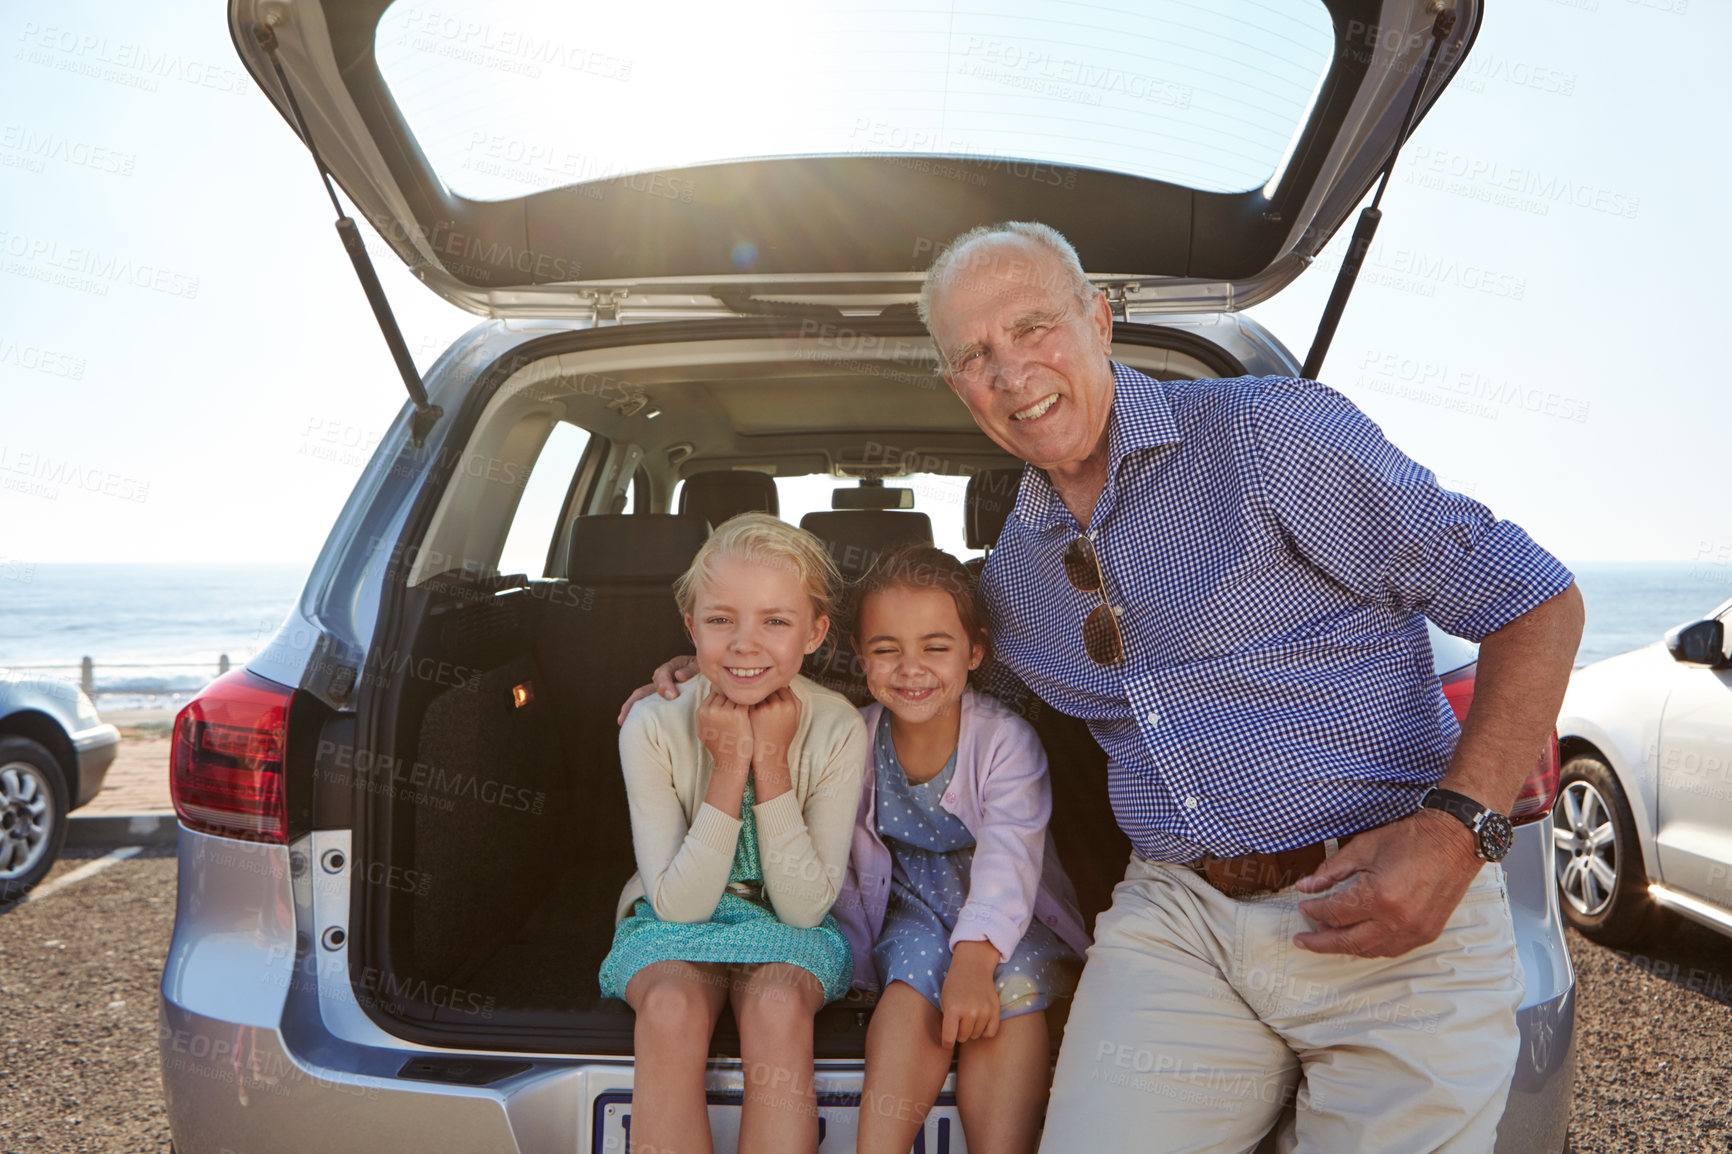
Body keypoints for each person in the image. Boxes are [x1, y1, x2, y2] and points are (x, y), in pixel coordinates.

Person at [624, 221, 1584, 1152]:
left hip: (1385, 905)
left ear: (1100, 317)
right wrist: (734, 664)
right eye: (976, 355)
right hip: (1180, 918)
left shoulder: (1270, 436)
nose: (1011, 373)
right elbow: (913, 656)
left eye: (1034, 327)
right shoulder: (1018, 578)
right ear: (960, 385)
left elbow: (1536, 603)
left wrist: (1461, 830)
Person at [602, 512, 866, 1154]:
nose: (746, 644)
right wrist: (727, 767)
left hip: (786, 925)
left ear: (815, 632)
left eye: (776, 621)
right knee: (669, 1009)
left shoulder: (838, 727)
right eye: (721, 620)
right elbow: (677, 907)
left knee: (778, 1007)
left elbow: (804, 910)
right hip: (670, 921)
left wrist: (770, 764)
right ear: (691, 628)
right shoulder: (652, 723)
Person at [831, 544, 1090, 1154]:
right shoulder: (853, 735)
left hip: (1008, 906)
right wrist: (686, 672)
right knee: (908, 986)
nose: (910, 668)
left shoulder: (1006, 741)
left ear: (975, 652)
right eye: (886, 648)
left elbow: (1009, 856)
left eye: (936, 647)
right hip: (911, 902)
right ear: (861, 657)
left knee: (1014, 987)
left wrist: (974, 963)